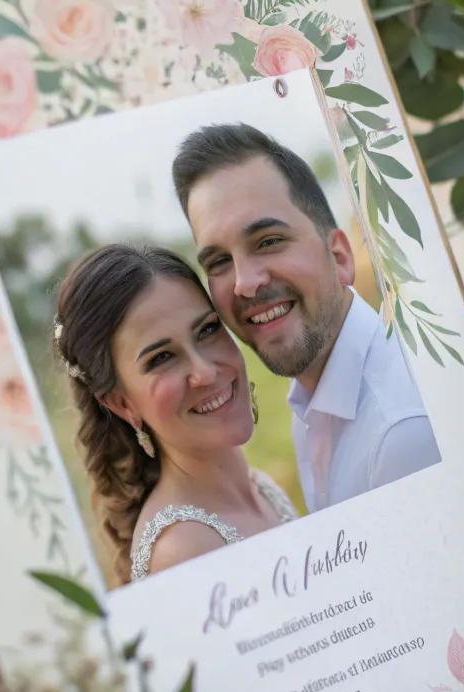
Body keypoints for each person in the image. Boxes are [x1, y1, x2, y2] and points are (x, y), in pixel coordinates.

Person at [172, 123, 441, 512]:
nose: (245, 283)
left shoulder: (399, 435)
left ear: (339, 257)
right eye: (218, 261)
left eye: (268, 242)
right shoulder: (310, 406)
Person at [54, 244, 295, 583]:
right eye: (162, 358)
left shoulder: (263, 489)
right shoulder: (183, 552)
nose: (205, 372)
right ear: (121, 403)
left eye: (208, 330)